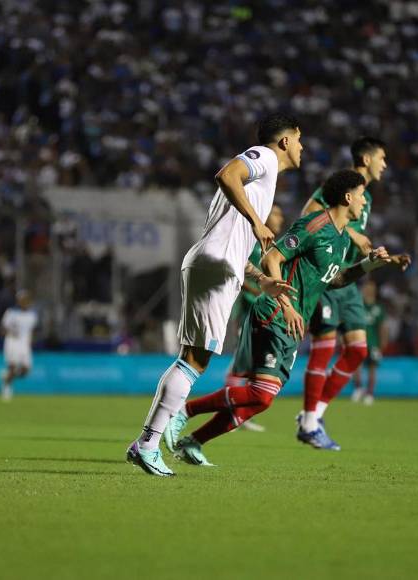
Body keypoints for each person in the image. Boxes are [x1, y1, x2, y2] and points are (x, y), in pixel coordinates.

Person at [164, 170, 390, 466]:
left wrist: (368, 265)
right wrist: (284, 302)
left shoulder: (339, 236)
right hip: (275, 313)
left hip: (294, 323)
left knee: (261, 400)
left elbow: (334, 280)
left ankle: (193, 442)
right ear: (348, 197)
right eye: (361, 195)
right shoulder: (315, 224)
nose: (364, 201)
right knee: (261, 393)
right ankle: (182, 412)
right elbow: (272, 257)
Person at [127, 113, 303, 476]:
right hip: (215, 266)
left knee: (192, 358)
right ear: (285, 140)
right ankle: (147, 444)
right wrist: (257, 221)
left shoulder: (263, 183)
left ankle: (147, 443)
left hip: (216, 263)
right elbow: (226, 174)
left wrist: (261, 279)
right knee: (193, 362)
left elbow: (231, 240)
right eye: (300, 140)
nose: (303, 148)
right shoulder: (264, 157)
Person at [297, 137, 410, 450]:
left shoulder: (366, 197)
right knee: (324, 347)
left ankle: (315, 415)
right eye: (382, 158)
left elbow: (352, 237)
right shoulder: (340, 185)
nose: (385, 164)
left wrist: (385, 258)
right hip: (327, 276)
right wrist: (354, 233)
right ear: (365, 158)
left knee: (358, 350)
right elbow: (310, 217)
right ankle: (308, 421)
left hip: (349, 279)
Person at [226, 203, 286, 432]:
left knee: (253, 363)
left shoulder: (273, 247)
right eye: (276, 213)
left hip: (264, 313)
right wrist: (261, 290)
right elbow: (238, 270)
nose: (280, 218)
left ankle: (241, 412)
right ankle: (232, 407)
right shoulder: (253, 243)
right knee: (243, 362)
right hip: (249, 313)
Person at [350, 280, 387, 405]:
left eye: (370, 288)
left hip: (373, 343)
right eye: (366, 288)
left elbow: (382, 328)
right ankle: (358, 388)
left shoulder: (378, 308)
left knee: (372, 369)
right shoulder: (358, 306)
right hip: (358, 341)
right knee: (356, 367)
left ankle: (370, 393)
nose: (367, 291)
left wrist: (382, 344)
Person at [0, 290, 38, 402]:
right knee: (12, 366)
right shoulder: (11, 312)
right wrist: (10, 333)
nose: (24, 301)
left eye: (26, 299)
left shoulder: (32, 315)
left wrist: (31, 340)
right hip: (12, 342)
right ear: (18, 301)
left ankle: (6, 376)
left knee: (26, 371)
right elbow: (2, 329)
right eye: (22, 300)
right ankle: (6, 389)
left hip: (25, 344)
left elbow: (32, 330)